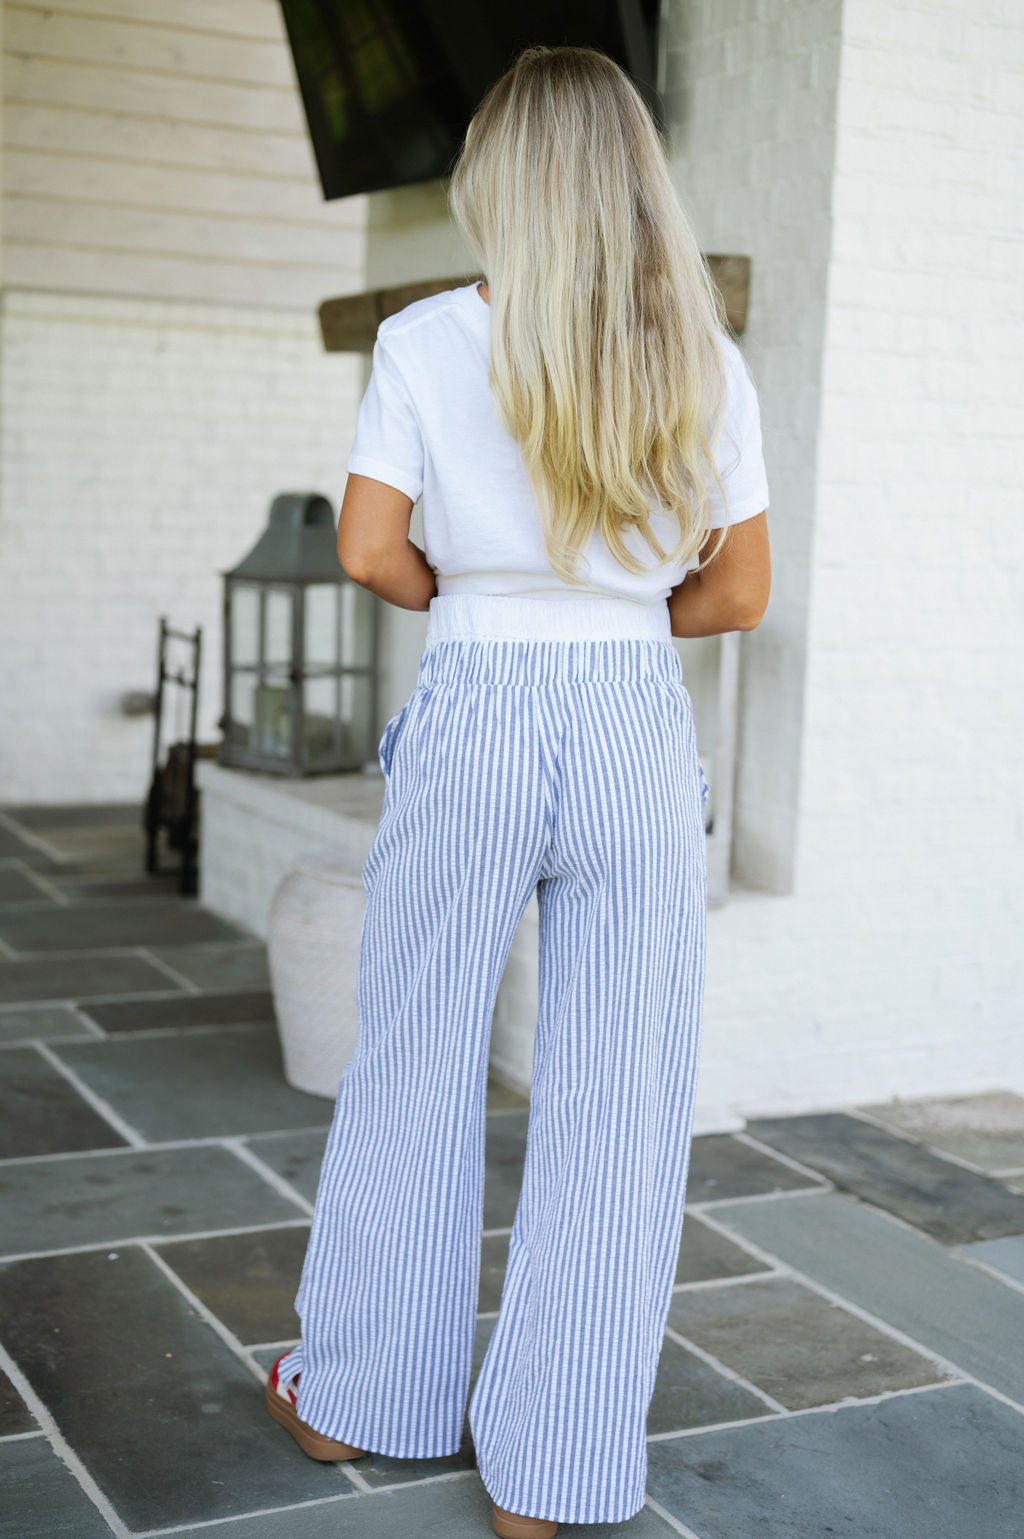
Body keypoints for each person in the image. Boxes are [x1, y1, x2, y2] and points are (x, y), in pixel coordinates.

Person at [264, 42, 771, 1539]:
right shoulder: (704, 359)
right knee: (620, 1096)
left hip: (479, 699)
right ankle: (552, 1472)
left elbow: (367, 553)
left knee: (416, 1050)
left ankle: (363, 1397)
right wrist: (608, 618)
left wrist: (491, 606)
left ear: (498, 179)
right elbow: (737, 593)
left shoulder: (424, 342)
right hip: (629, 723)